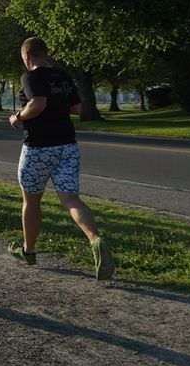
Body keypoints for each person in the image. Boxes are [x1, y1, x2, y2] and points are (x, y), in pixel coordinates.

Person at [7, 36, 115, 280]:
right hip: (67, 145)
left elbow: (38, 103)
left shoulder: (31, 77)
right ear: (45, 53)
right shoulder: (63, 76)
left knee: (32, 201)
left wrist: (18, 117)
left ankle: (29, 251)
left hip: (38, 147)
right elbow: (77, 108)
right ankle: (96, 240)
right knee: (71, 200)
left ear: (27, 56)